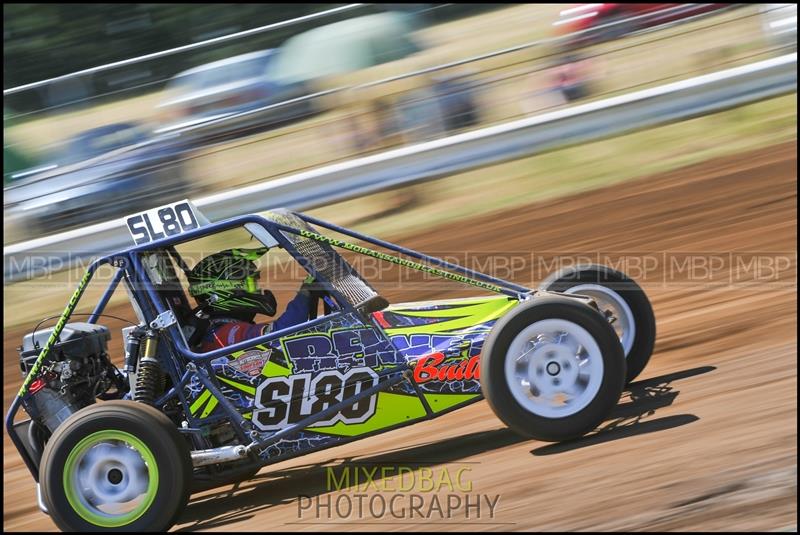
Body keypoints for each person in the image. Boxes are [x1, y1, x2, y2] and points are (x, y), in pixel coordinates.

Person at [187, 247, 315, 352]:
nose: (258, 288)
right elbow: (279, 337)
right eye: (251, 283)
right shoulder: (227, 333)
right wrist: (305, 294)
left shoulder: (218, 329)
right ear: (225, 291)